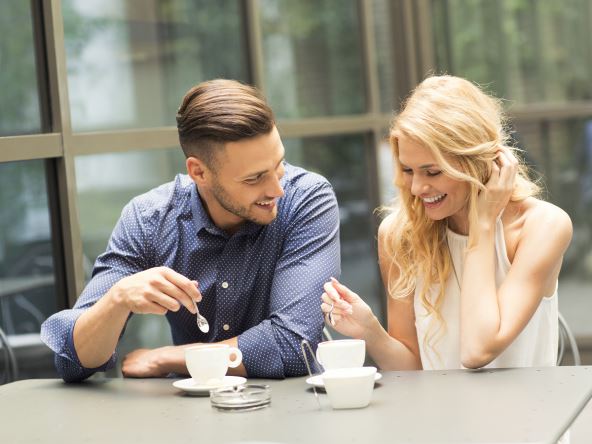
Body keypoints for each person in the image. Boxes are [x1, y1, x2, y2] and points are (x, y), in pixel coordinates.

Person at [41, 79, 341, 382]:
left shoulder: (307, 199)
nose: (277, 189)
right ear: (199, 172)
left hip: (292, 406)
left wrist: (166, 358)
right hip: (188, 409)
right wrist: (117, 299)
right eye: (254, 178)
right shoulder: (149, 220)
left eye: (279, 165)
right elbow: (73, 362)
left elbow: (294, 346)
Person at [321, 75, 573, 371]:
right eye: (408, 170)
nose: (417, 188)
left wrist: (482, 224)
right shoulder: (399, 235)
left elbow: (477, 350)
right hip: (437, 404)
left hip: (527, 403)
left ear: (479, 162)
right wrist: (371, 332)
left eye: (433, 172)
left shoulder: (543, 226)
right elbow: (413, 371)